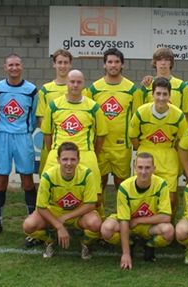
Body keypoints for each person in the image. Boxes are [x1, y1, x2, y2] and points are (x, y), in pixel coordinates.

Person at [41, 69, 108, 215]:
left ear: (84, 84)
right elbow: (47, 133)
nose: (75, 85)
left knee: (96, 195)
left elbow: (101, 135)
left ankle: (98, 226)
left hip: (85, 153)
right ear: (67, 83)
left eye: (79, 82)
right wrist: (54, 151)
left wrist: (92, 153)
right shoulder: (54, 105)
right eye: (72, 81)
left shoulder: (93, 107)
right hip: (58, 153)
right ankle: (46, 228)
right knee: (46, 192)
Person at [22, 142, 101, 259]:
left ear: (78, 160)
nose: (69, 163)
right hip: (54, 213)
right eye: (65, 159)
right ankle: (49, 239)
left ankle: (86, 243)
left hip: (78, 214)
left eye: (73, 159)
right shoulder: (48, 176)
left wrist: (65, 217)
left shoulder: (86, 174)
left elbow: (90, 205)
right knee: (28, 225)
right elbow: (41, 207)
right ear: (58, 160)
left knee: (95, 223)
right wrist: (59, 226)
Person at [0, 54, 38, 236]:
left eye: (17, 65)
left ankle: (33, 219)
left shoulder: (31, 90)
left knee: (27, 181)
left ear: (22, 67)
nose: (14, 68)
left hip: (23, 137)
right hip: (2, 137)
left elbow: (34, 117)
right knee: (1, 182)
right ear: (5, 67)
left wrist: (26, 130)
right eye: (10, 65)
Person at [100, 152, 174, 269]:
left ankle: (149, 244)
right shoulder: (125, 187)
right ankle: (130, 242)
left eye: (147, 168)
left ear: (154, 169)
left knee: (169, 231)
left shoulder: (161, 185)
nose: (143, 172)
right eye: (140, 167)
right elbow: (124, 221)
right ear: (134, 168)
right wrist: (126, 254)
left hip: (148, 225)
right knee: (106, 229)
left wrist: (139, 220)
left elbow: (166, 217)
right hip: (129, 224)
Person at [84, 48, 141, 194]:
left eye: (117, 62)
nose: (113, 65)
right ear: (104, 65)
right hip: (100, 144)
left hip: (122, 146)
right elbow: (88, 117)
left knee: (121, 185)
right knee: (99, 183)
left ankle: (121, 214)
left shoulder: (132, 89)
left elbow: (137, 119)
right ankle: (99, 214)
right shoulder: (94, 89)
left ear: (122, 65)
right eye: (110, 62)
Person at [129, 77, 188, 210]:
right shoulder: (141, 112)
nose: (161, 98)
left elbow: (181, 140)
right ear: (152, 94)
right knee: (144, 196)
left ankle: (170, 226)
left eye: (165, 94)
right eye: (158, 94)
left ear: (170, 95)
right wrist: (143, 148)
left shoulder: (178, 115)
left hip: (168, 156)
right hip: (146, 153)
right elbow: (133, 137)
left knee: (171, 198)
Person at [36, 49, 73, 174]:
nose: (62, 66)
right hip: (51, 143)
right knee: (48, 177)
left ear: (70, 64)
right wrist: (51, 137)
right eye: (60, 62)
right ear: (54, 64)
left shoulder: (79, 89)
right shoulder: (46, 89)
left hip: (72, 140)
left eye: (66, 62)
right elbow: (41, 118)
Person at [140, 47, 188, 115]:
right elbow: (141, 111)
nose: (163, 63)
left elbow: (185, 113)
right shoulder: (147, 84)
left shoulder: (182, 86)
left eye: (167, 60)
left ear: (171, 63)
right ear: (155, 63)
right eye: (159, 59)